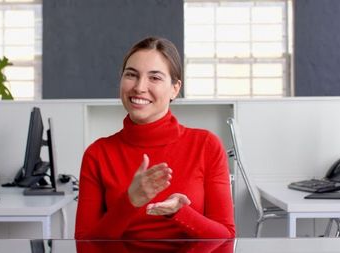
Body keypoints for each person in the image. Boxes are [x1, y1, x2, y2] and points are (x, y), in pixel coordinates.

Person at [75, 36, 235, 240]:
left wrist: (179, 212)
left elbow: (226, 237)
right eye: (131, 75)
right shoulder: (97, 154)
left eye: (155, 77)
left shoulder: (206, 145)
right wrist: (130, 202)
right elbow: (85, 245)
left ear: (175, 89)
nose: (139, 87)